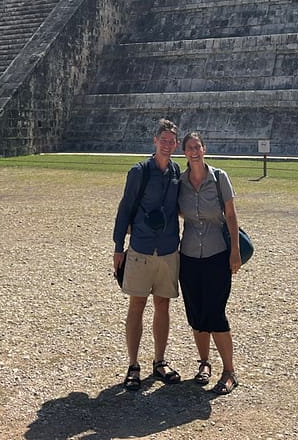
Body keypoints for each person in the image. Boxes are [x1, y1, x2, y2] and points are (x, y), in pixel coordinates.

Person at [112, 118, 183, 391]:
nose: (167, 145)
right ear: (154, 141)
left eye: (171, 141)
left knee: (163, 306)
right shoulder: (139, 171)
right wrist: (119, 246)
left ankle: (160, 360)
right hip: (141, 247)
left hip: (167, 249)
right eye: (162, 140)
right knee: (137, 305)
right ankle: (133, 364)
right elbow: (125, 208)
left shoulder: (177, 172)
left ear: (176, 144)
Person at [177, 130, 241, 395]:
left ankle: (229, 371)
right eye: (189, 147)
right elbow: (174, 212)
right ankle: (204, 363)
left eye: (197, 146)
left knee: (215, 312)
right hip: (189, 255)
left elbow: (231, 214)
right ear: (185, 152)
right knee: (196, 313)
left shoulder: (219, 178)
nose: (194, 151)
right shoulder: (180, 181)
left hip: (217, 253)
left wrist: (235, 251)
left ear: (204, 149)